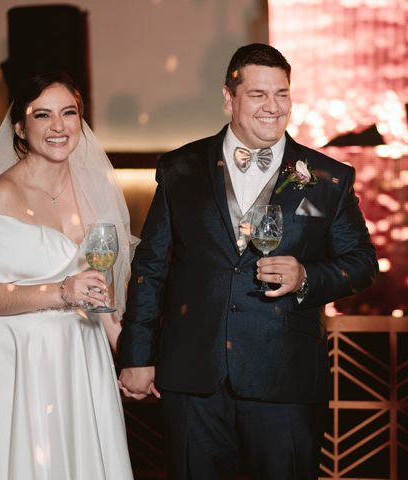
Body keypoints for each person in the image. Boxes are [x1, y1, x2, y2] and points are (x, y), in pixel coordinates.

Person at [118, 43, 378, 479]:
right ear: (229, 98)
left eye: (282, 94)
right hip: (193, 375)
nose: (273, 107)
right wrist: (137, 353)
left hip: (285, 376)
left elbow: (363, 264)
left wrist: (307, 276)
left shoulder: (329, 177)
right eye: (258, 94)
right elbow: (152, 266)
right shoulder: (180, 168)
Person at [0, 73, 137, 479]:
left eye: (68, 113)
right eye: (42, 115)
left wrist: (130, 357)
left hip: (79, 351)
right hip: (15, 356)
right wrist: (60, 292)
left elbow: (100, 285)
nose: (58, 126)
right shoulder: (2, 193)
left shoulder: (94, 188)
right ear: (20, 128)